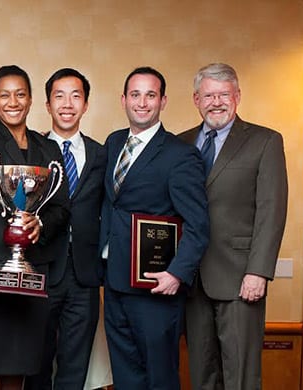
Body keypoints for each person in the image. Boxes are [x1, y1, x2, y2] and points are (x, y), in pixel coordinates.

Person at [0, 65, 70, 390]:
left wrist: (41, 223)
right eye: (4, 95)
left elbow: (63, 208)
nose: (13, 101)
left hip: (31, 272)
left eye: (20, 94)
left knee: (17, 369)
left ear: (31, 99)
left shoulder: (47, 149)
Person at [179, 63, 288, 390]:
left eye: (224, 94)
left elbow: (272, 209)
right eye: (209, 95)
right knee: (201, 372)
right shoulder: (179, 144)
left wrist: (259, 271)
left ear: (237, 96)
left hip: (241, 278)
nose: (216, 102)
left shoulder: (265, 141)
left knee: (240, 375)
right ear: (196, 99)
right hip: (191, 279)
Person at [99, 66, 209, 389]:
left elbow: (199, 224)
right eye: (135, 95)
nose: (142, 102)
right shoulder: (114, 142)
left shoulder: (180, 155)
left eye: (151, 95)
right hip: (115, 283)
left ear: (163, 101)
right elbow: (111, 204)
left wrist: (177, 273)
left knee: (158, 378)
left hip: (156, 288)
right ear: (123, 100)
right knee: (125, 377)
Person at [24, 68, 107, 390]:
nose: (67, 104)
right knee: (37, 363)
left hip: (85, 274)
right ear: (47, 105)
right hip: (41, 267)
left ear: (86, 104)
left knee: (76, 365)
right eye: (59, 96)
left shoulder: (102, 153)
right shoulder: (31, 151)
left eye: (76, 96)